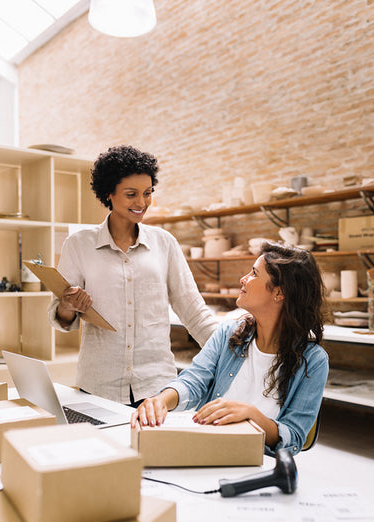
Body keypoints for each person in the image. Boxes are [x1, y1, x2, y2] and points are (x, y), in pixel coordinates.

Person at [48, 145, 218, 405]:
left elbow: (192, 309)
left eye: (147, 193)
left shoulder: (165, 243)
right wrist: (68, 305)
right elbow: (60, 317)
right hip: (98, 385)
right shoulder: (78, 244)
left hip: (157, 388)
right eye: (131, 194)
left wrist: (233, 348)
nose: (142, 203)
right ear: (109, 193)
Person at [130, 242, 329, 456]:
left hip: (257, 460)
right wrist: (161, 400)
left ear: (279, 292)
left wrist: (252, 416)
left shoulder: (314, 360)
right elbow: (195, 380)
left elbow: (295, 436)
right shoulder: (229, 333)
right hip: (204, 446)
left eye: (254, 273)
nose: (243, 279)